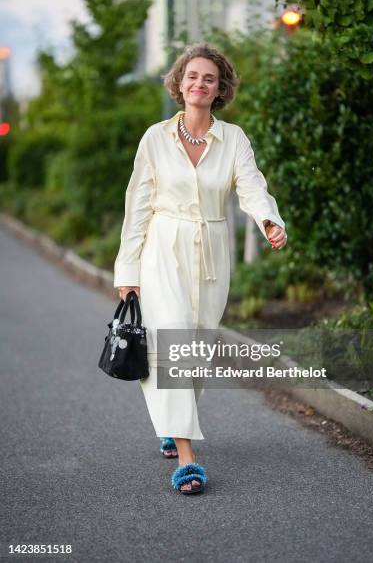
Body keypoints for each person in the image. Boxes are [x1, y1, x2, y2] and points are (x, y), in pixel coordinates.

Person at [113, 42, 287, 494]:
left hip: (211, 249)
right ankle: (187, 458)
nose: (199, 83)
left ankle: (175, 423)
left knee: (196, 344)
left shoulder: (234, 139)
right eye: (192, 76)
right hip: (162, 248)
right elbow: (138, 207)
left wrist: (269, 219)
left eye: (209, 78)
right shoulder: (155, 138)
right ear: (179, 83)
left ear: (220, 88)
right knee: (170, 337)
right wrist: (127, 270)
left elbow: (251, 187)